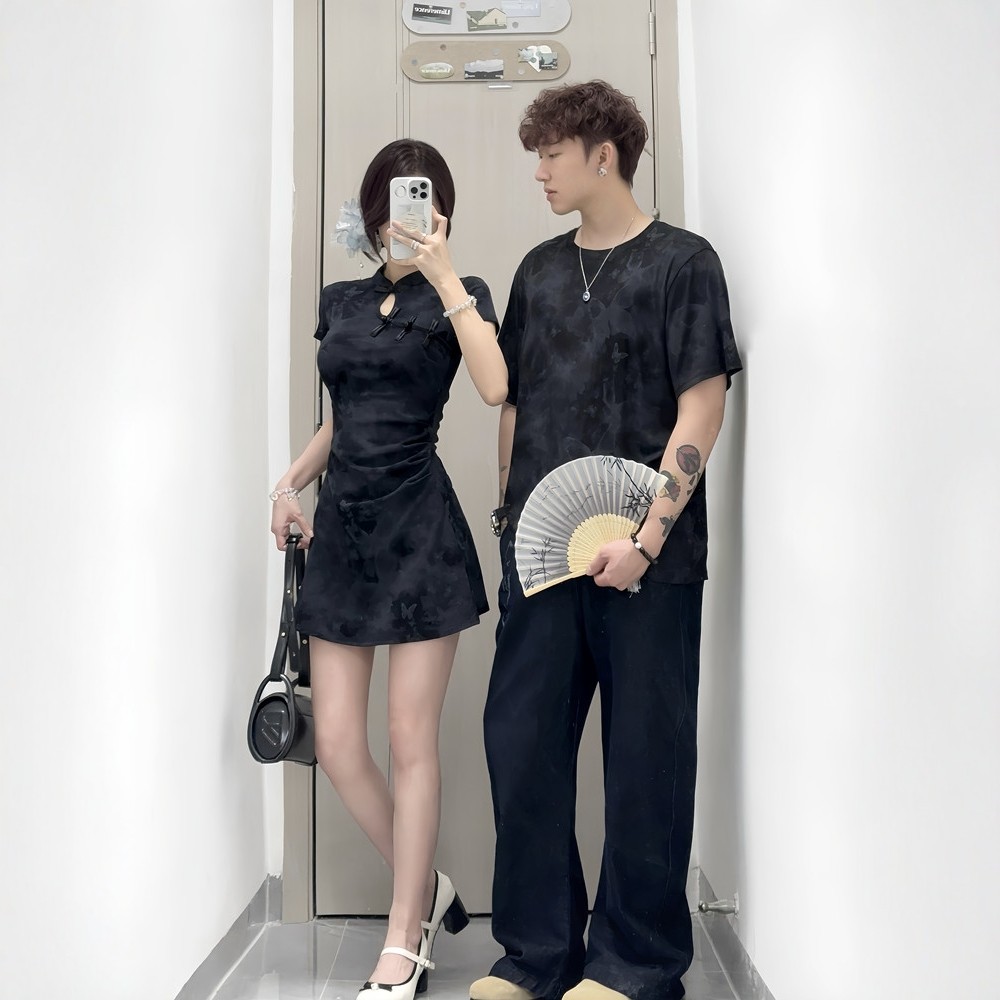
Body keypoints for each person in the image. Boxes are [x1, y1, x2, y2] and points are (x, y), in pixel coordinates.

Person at [471, 82, 743, 1000]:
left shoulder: (683, 263)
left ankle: (635, 965)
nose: (539, 172)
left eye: (552, 154)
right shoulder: (539, 270)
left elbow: (702, 408)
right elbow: (515, 404)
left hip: (648, 566)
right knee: (523, 750)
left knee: (644, 765)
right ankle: (536, 956)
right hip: (542, 562)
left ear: (603, 155)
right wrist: (511, 523)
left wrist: (648, 539)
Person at [270, 138, 507, 1000]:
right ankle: (428, 889)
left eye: (422, 200)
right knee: (336, 742)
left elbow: (494, 386)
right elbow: (345, 415)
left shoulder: (462, 294)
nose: (403, 215)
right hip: (342, 536)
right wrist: (288, 484)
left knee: (411, 741)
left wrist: (443, 276)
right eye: (393, 201)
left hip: (421, 538)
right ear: (373, 212)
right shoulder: (341, 301)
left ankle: (405, 941)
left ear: (441, 210)